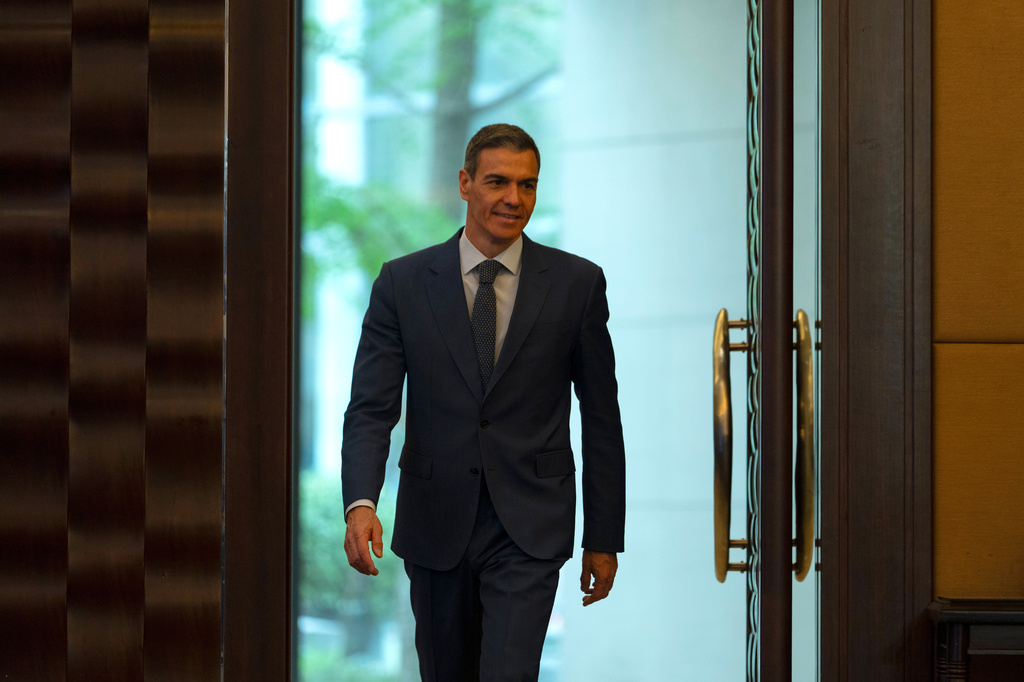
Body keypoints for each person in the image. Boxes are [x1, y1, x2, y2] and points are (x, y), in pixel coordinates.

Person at [341, 123, 626, 681]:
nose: (513, 199)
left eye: (527, 185)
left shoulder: (578, 284)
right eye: (498, 182)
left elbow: (601, 419)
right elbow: (372, 407)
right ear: (465, 183)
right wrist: (361, 502)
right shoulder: (402, 283)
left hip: (530, 525)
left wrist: (603, 536)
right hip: (435, 520)